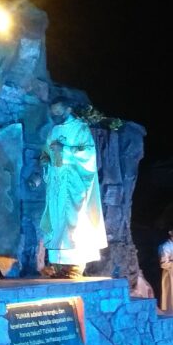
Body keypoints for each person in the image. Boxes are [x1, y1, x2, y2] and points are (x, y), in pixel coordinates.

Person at [39, 97, 107, 279]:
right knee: (57, 223)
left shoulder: (81, 128)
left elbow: (89, 153)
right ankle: (59, 266)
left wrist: (65, 150)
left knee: (75, 223)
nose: (55, 116)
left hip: (75, 184)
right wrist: (45, 162)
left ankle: (76, 266)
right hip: (57, 184)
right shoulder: (54, 130)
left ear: (68, 109)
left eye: (58, 112)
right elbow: (45, 153)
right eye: (53, 113)